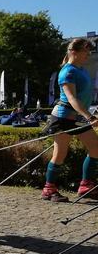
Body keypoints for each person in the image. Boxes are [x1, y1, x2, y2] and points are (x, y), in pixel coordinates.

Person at [41, 38, 98, 202]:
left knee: (95, 148)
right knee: (60, 154)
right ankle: (49, 189)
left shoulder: (83, 70)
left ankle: (86, 186)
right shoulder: (68, 72)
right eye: (86, 51)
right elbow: (72, 99)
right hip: (63, 117)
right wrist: (90, 116)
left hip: (78, 117)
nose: (89, 54)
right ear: (74, 52)